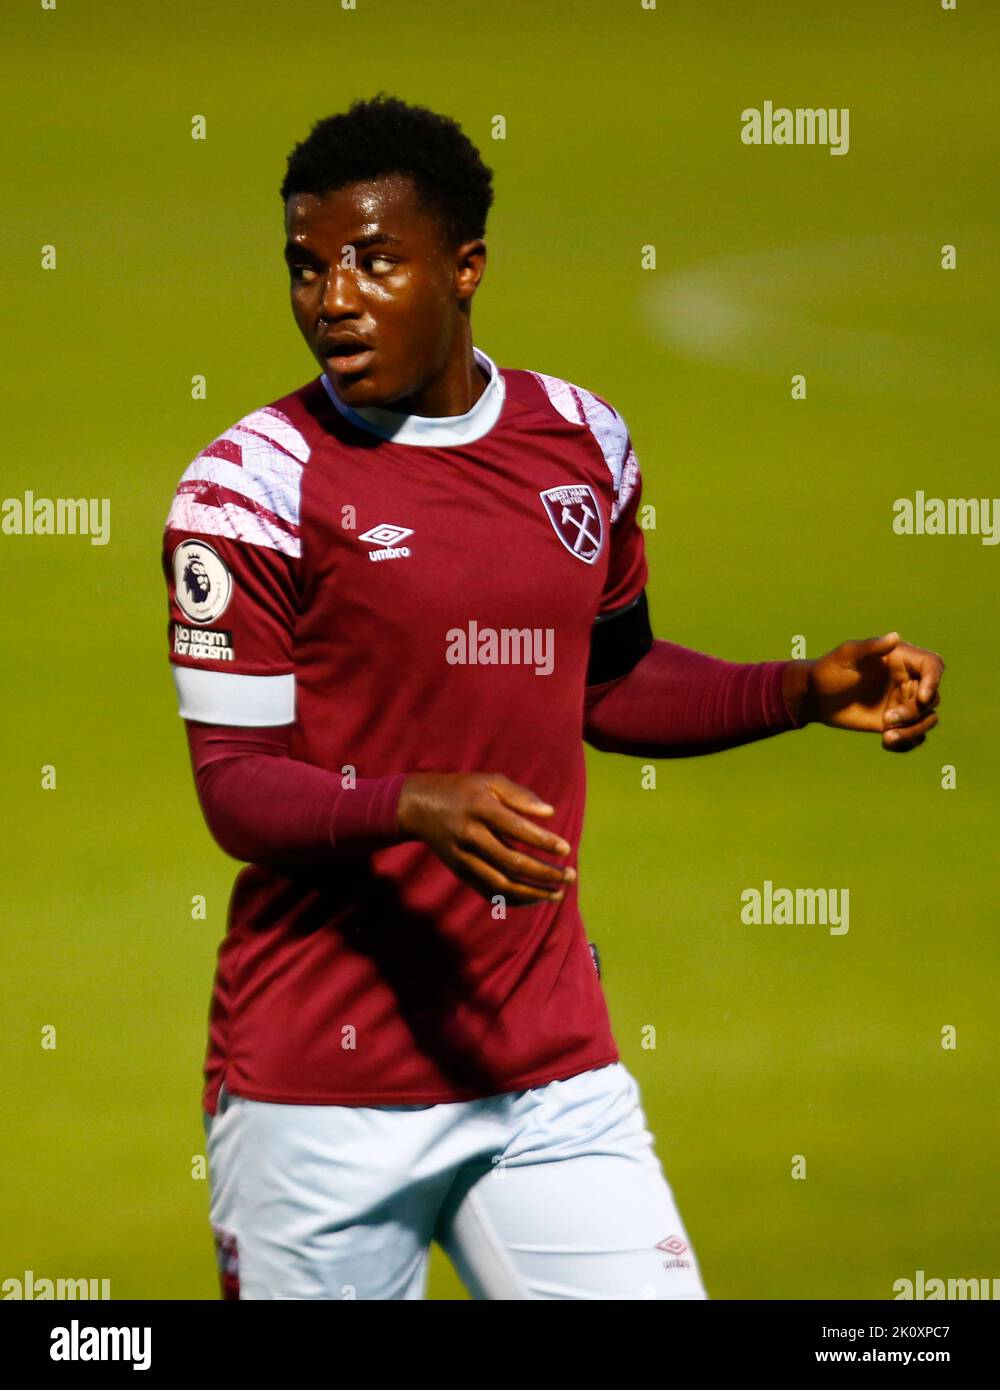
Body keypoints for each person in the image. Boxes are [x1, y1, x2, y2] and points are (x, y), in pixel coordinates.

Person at [161, 93, 944, 1301]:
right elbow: (238, 791)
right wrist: (408, 803)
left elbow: (612, 678)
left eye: (375, 262)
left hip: (545, 1067)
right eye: (307, 267)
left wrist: (794, 689)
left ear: (464, 267)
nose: (333, 298)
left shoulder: (582, 442)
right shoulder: (248, 488)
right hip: (317, 1089)